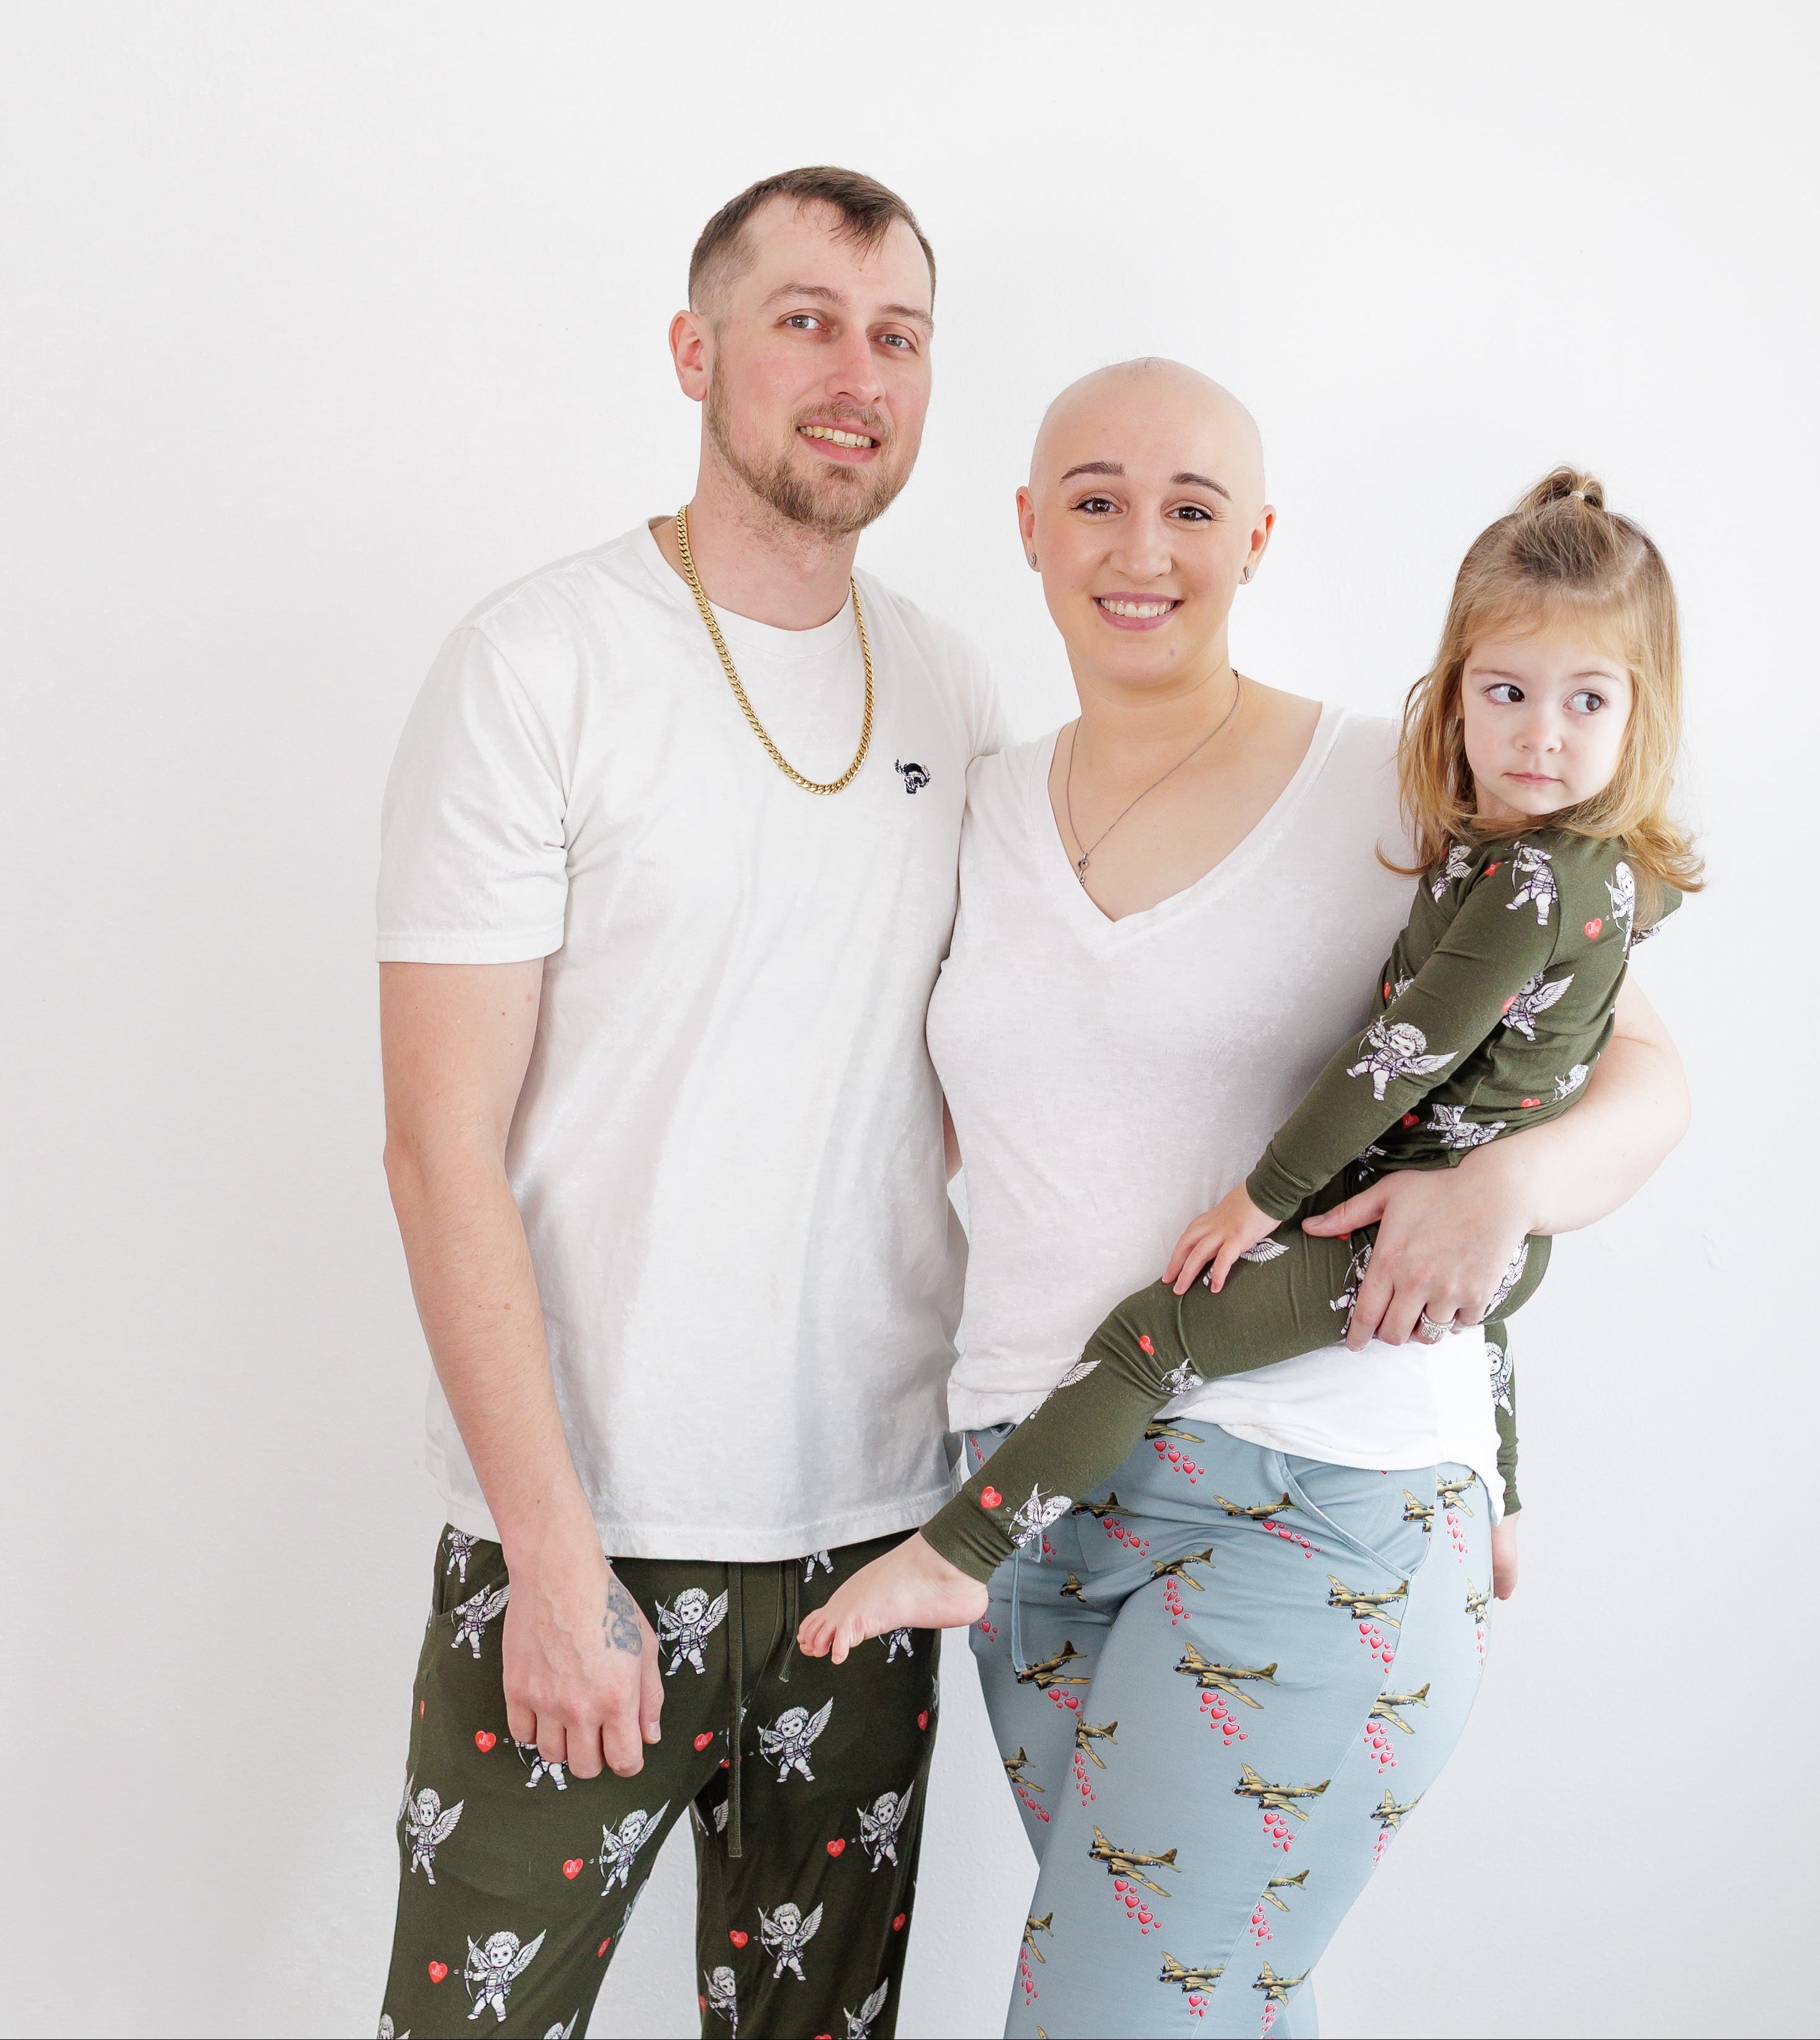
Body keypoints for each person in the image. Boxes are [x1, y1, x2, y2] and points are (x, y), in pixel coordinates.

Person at [820, 359, 1690, 2036]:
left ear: (1258, 538)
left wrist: (1501, 1189)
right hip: (1032, 1489)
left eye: (1194, 507)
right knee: (1212, 2012)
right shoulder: (976, 809)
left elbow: (1639, 1071)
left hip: (1318, 1492)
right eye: (1095, 498)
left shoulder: (1413, 787)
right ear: (1027, 525)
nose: (1142, 544)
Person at [372, 168, 1003, 2040]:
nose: (856, 371)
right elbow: (436, 1153)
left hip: (867, 1545)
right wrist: (553, 1563)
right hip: (582, 1537)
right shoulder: (536, 664)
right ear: (694, 351)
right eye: (806, 317)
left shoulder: (955, 687)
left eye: (897, 335)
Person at [802, 462, 1700, 1641]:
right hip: (1446, 1246)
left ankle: (962, 1550)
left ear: (1643, 715)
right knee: (1482, 1299)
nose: (1539, 736)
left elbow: (1399, 1058)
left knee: (1155, 1333)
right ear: (1457, 694)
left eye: (1589, 702)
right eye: (1508, 693)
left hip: (1379, 1270)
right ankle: (1510, 1508)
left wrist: (1256, 1202)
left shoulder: (1528, 881)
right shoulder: (1583, 869)